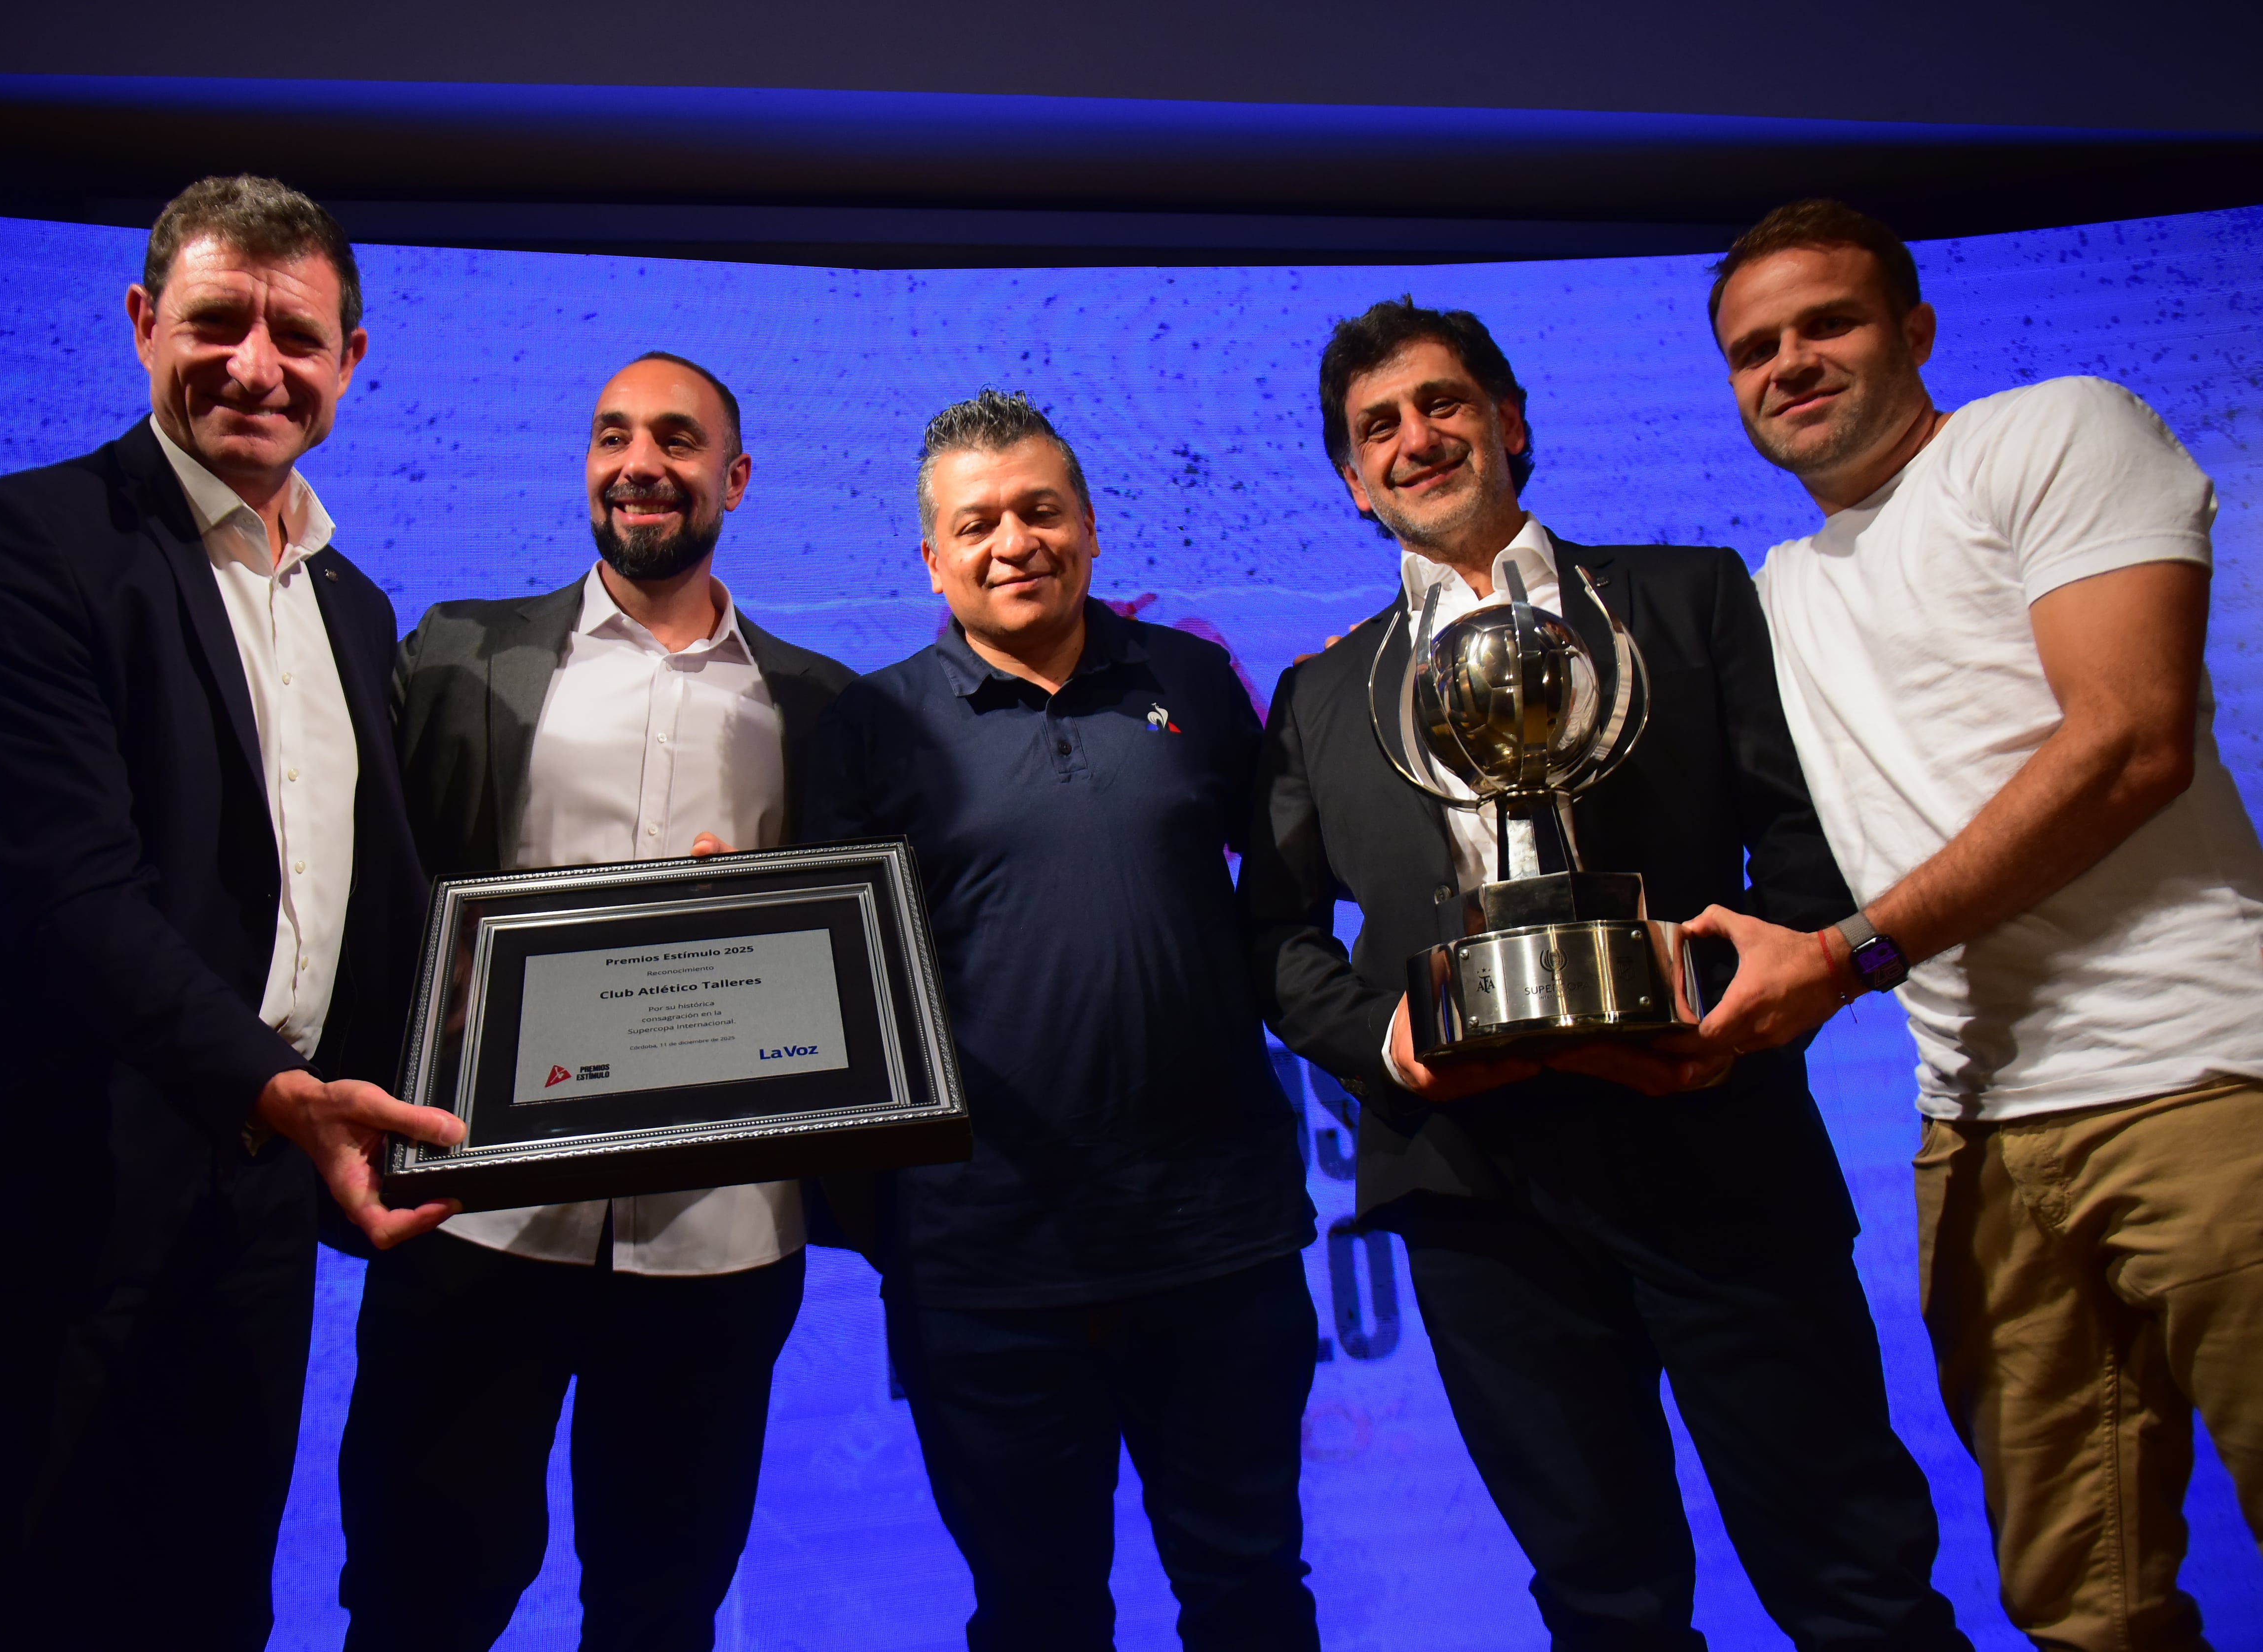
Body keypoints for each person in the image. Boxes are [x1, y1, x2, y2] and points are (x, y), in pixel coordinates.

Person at [0, 175, 465, 1651]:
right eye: (216, 322)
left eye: (297, 334)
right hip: (33, 1195)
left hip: (254, 1206)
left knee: (205, 1596)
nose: (255, 365)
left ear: (351, 358)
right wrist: (282, 1092)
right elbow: (63, 883)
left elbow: (365, 899)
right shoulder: (23, 539)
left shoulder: (352, 602)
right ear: (143, 324)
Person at [1243, 300, 1969, 1650]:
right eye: (1379, 427)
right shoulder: (1325, 694)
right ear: (1352, 478)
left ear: (1511, 422)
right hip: (1475, 1186)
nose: (1418, 438)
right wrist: (1389, 1039)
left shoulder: (1687, 599)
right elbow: (1275, 939)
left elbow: (1807, 838)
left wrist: (1736, 998)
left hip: (1711, 1136)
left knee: (1854, 1567)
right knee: (1603, 1596)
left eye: (1446, 403)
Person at [1698, 198, 2263, 1652]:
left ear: (1917, 330)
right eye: (1756, 347)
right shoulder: (1782, 590)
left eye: (1828, 323)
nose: (1792, 362)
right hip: (1982, 1136)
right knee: (2081, 1602)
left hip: (2201, 1084)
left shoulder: (2053, 434)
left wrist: (1848, 956)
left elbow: (2133, 741)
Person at [337, 351, 856, 1652]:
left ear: (733, 476)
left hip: (716, 1240)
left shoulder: (822, 704)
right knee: (417, 1595)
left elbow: (861, 968)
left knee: (661, 1605)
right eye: (614, 434)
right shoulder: (457, 652)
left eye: (678, 439)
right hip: (475, 1215)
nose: (642, 463)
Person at [801, 389, 1321, 1652]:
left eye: (1040, 511)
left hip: (1219, 1241)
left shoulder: (1194, 678)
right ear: (932, 557)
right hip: (985, 1264)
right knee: (1035, 1612)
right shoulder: (865, 722)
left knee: (1250, 1588)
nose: (1013, 541)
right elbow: (828, 980)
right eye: (975, 523)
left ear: (1089, 526)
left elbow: (1291, 902)